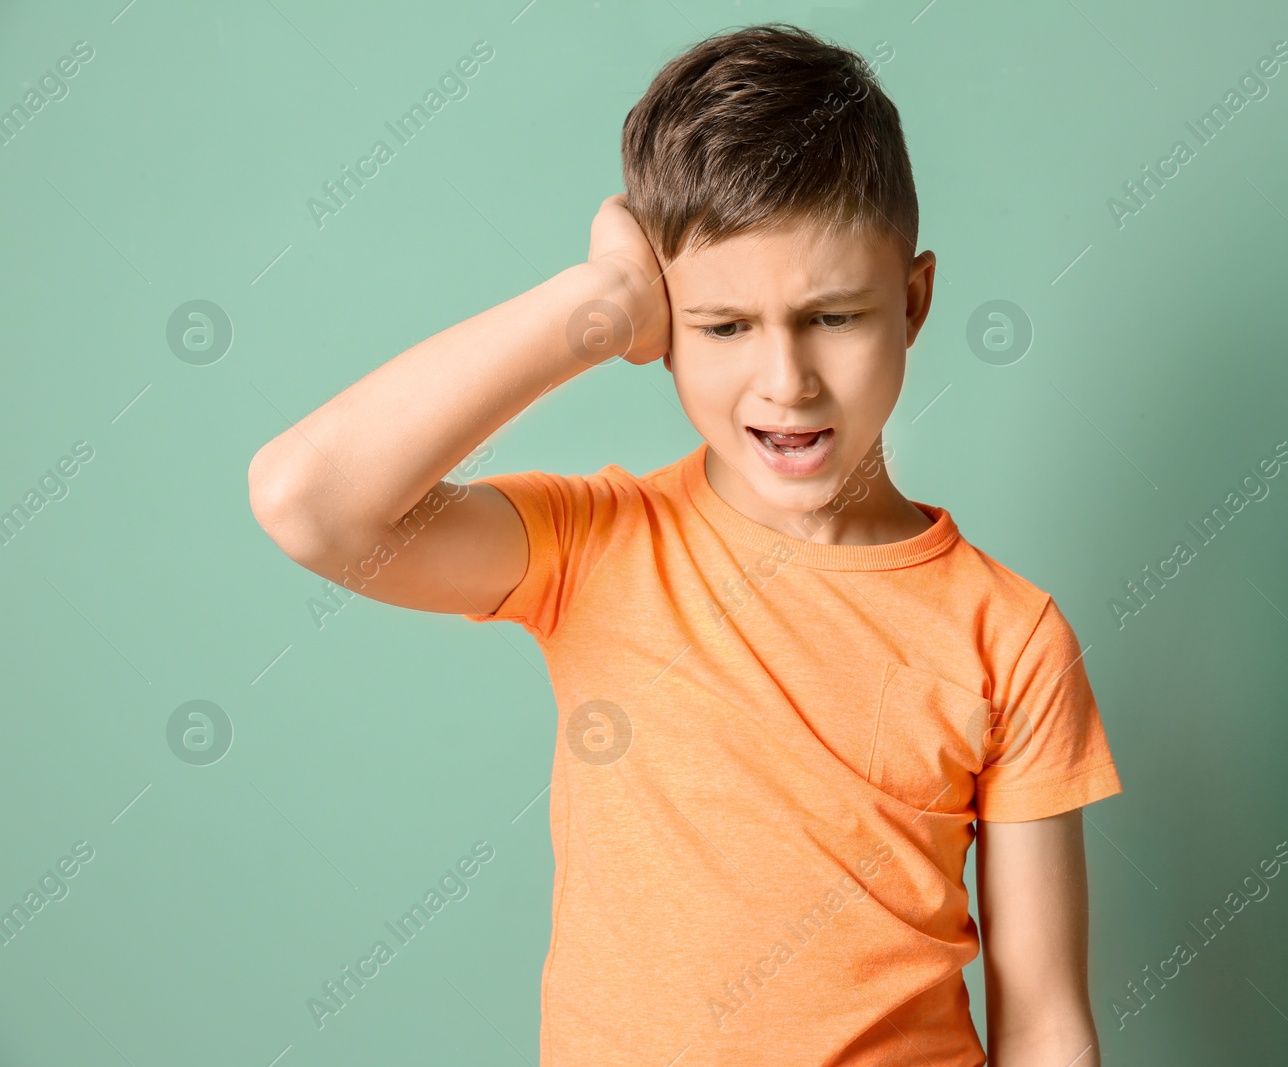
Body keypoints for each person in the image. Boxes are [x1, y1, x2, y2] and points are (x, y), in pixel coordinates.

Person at [248, 22, 1122, 1067]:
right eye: (721, 327)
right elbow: (308, 500)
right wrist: (597, 304)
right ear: (661, 327)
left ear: (914, 302)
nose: (785, 379)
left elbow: (1046, 1023)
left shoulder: (1009, 636)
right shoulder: (592, 547)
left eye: (833, 316)